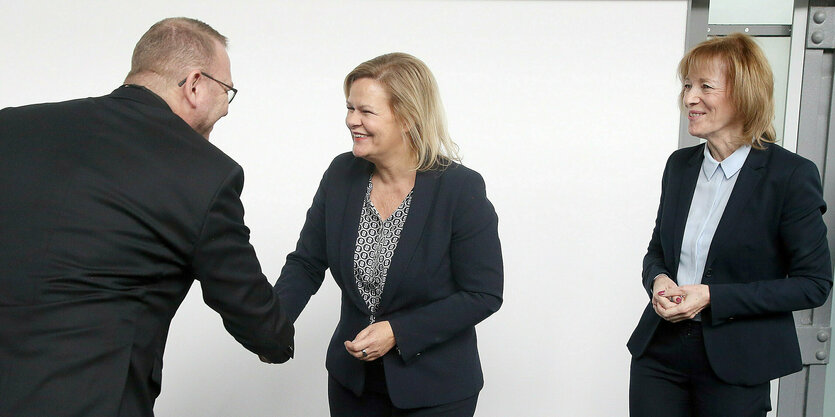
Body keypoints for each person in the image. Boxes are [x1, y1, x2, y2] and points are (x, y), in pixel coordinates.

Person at [0, 17, 294, 417]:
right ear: (194, 84)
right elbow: (258, 321)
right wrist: (278, 340)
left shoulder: (12, 128)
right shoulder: (203, 173)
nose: (225, 108)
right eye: (226, 92)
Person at [275, 52, 503, 416]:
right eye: (349, 108)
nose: (352, 121)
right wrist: (273, 322)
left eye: (366, 111)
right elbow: (306, 263)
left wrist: (398, 330)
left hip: (436, 391)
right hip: (353, 384)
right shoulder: (340, 174)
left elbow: (483, 293)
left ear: (409, 118)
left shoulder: (460, 189)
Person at [627, 33, 833, 416]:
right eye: (688, 85)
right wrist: (659, 280)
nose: (689, 98)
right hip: (659, 355)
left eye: (706, 86)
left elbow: (814, 285)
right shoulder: (679, 166)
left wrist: (711, 297)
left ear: (745, 94)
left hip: (738, 362)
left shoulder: (789, 176)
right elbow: (657, 251)